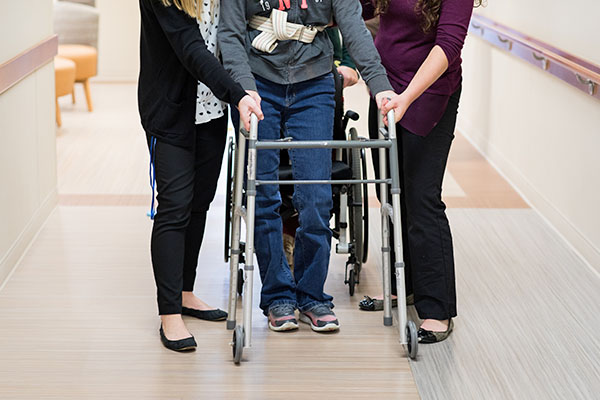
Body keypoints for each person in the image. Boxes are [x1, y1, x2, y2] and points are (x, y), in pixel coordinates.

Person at [219, 0, 395, 333]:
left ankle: (312, 295)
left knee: (316, 197)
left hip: (314, 82)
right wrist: (243, 89)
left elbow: (354, 28)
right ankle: (277, 297)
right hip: (256, 83)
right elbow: (228, 35)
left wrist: (379, 84)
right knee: (263, 196)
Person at [138, 0, 263, 352]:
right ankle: (169, 313)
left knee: (198, 204)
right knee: (175, 207)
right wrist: (237, 94)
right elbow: (190, 49)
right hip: (171, 110)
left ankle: (185, 291)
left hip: (211, 108)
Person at [358, 0, 480, 344]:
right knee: (389, 191)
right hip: (384, 89)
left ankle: (437, 308)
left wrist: (408, 96)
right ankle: (403, 285)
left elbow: (449, 45)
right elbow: (361, 8)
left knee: (422, 196)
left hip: (428, 92)